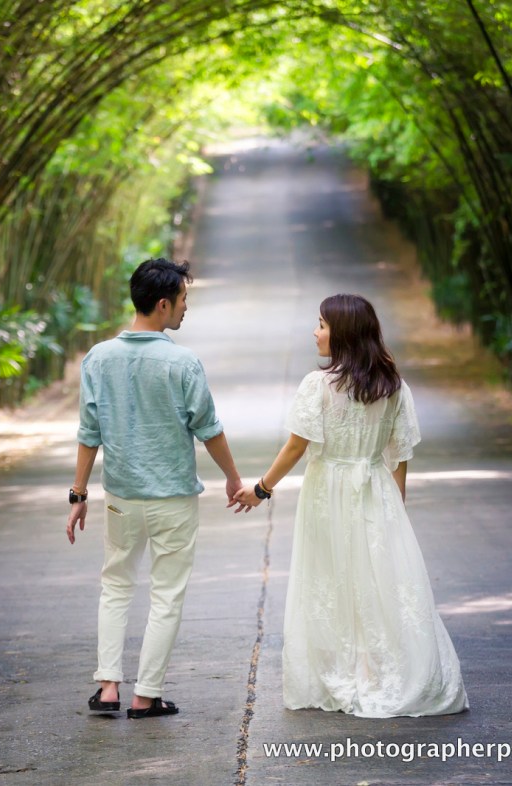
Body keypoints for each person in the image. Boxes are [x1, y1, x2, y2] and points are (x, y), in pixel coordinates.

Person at [230, 293, 468, 718]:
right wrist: (395, 509)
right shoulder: (393, 387)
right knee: (377, 580)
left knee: (332, 578)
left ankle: (342, 670)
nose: (315, 333)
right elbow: (399, 457)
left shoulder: (318, 386)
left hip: (328, 491)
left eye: (322, 325)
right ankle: (378, 670)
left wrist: (261, 489)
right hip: (377, 490)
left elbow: (295, 447)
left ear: (343, 333)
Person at [66, 258, 243, 719]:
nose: (186, 308)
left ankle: (108, 688)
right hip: (173, 500)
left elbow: (89, 432)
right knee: (166, 595)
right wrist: (232, 477)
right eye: (183, 299)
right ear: (163, 304)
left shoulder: (99, 358)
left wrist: (79, 494)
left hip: (121, 498)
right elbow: (208, 428)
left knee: (115, 586)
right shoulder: (182, 362)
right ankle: (146, 696)